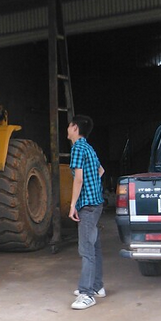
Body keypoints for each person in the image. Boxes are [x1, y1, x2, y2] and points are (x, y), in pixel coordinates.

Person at [67, 115, 105, 310]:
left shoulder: (77, 149)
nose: (67, 129)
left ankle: (86, 293)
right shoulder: (89, 148)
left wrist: (73, 204)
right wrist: (94, 189)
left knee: (86, 249)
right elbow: (101, 170)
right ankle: (97, 286)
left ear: (74, 128)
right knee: (94, 244)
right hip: (96, 203)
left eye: (69, 126)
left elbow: (78, 179)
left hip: (87, 207)